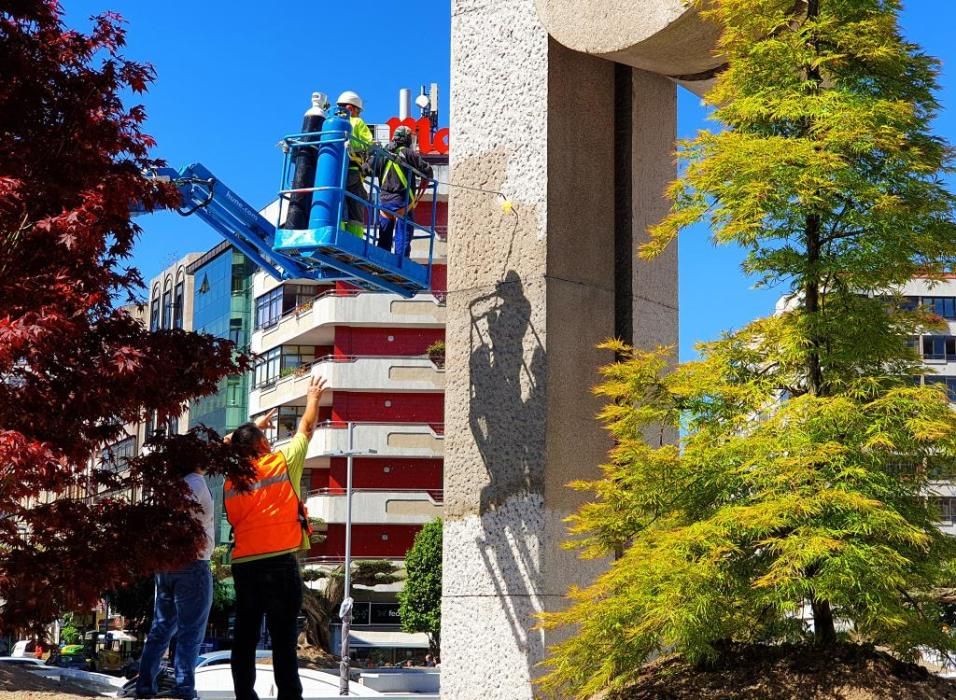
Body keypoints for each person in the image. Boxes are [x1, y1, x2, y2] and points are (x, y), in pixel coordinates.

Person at [224, 375, 326, 700]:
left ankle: (245, 696)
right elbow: (306, 429)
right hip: (279, 564)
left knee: (245, 635)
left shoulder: (231, 478)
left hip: (245, 566)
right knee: (283, 638)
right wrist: (312, 397)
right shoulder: (283, 462)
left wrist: (252, 428)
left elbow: (228, 443)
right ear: (264, 445)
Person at [133, 461, 214, 700]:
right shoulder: (197, 483)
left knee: (161, 629)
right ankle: (184, 688)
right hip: (193, 563)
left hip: (166, 565)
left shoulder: (170, 486)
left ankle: (145, 686)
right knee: (191, 632)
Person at [371, 125, 433, 257]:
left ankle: (381, 261)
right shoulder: (408, 153)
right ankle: (401, 263)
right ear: (406, 139)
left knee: (384, 238)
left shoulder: (382, 154)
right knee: (403, 237)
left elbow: (367, 168)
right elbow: (427, 171)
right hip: (402, 203)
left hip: (385, 204)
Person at [335, 91, 373, 237]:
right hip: (352, 169)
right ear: (351, 108)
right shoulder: (357, 122)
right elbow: (368, 143)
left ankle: (339, 234)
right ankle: (354, 240)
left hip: (334, 171)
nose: (358, 114)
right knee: (355, 208)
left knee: (339, 204)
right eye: (358, 110)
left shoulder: (330, 123)